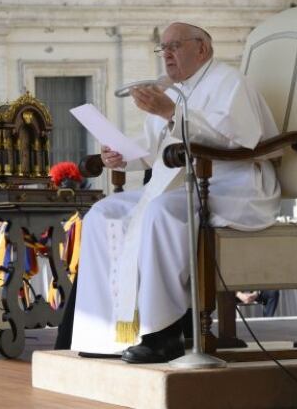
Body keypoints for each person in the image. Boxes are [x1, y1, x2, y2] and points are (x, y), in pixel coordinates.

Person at [60, 22, 281, 363]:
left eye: (174, 46)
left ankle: (162, 335)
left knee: (159, 211)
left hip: (233, 186)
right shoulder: (175, 92)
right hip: (181, 186)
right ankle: (108, 332)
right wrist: (121, 155)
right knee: (105, 212)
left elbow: (236, 141)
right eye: (162, 48)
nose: (166, 54)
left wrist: (169, 112)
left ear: (202, 49)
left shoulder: (230, 83)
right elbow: (153, 151)